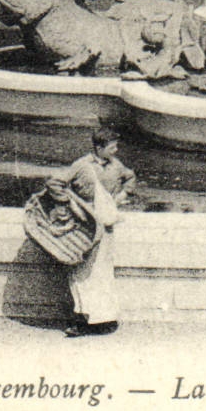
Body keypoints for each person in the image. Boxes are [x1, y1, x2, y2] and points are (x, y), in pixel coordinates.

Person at [61, 128, 136, 337]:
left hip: (106, 228)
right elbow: (57, 184)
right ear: (99, 147)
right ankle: (80, 321)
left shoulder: (115, 165)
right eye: (111, 147)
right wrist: (75, 206)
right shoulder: (82, 165)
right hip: (85, 227)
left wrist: (118, 198)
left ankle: (102, 320)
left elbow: (130, 179)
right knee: (82, 274)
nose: (115, 150)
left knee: (102, 274)